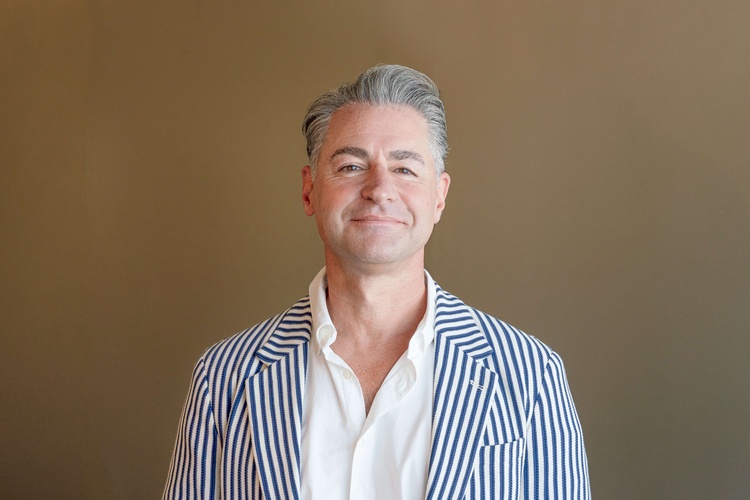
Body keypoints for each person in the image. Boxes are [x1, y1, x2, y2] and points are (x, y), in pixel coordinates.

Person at [163, 64, 590, 500]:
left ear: (439, 196)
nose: (379, 188)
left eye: (405, 169)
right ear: (310, 190)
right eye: (351, 166)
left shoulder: (530, 376)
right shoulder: (223, 378)